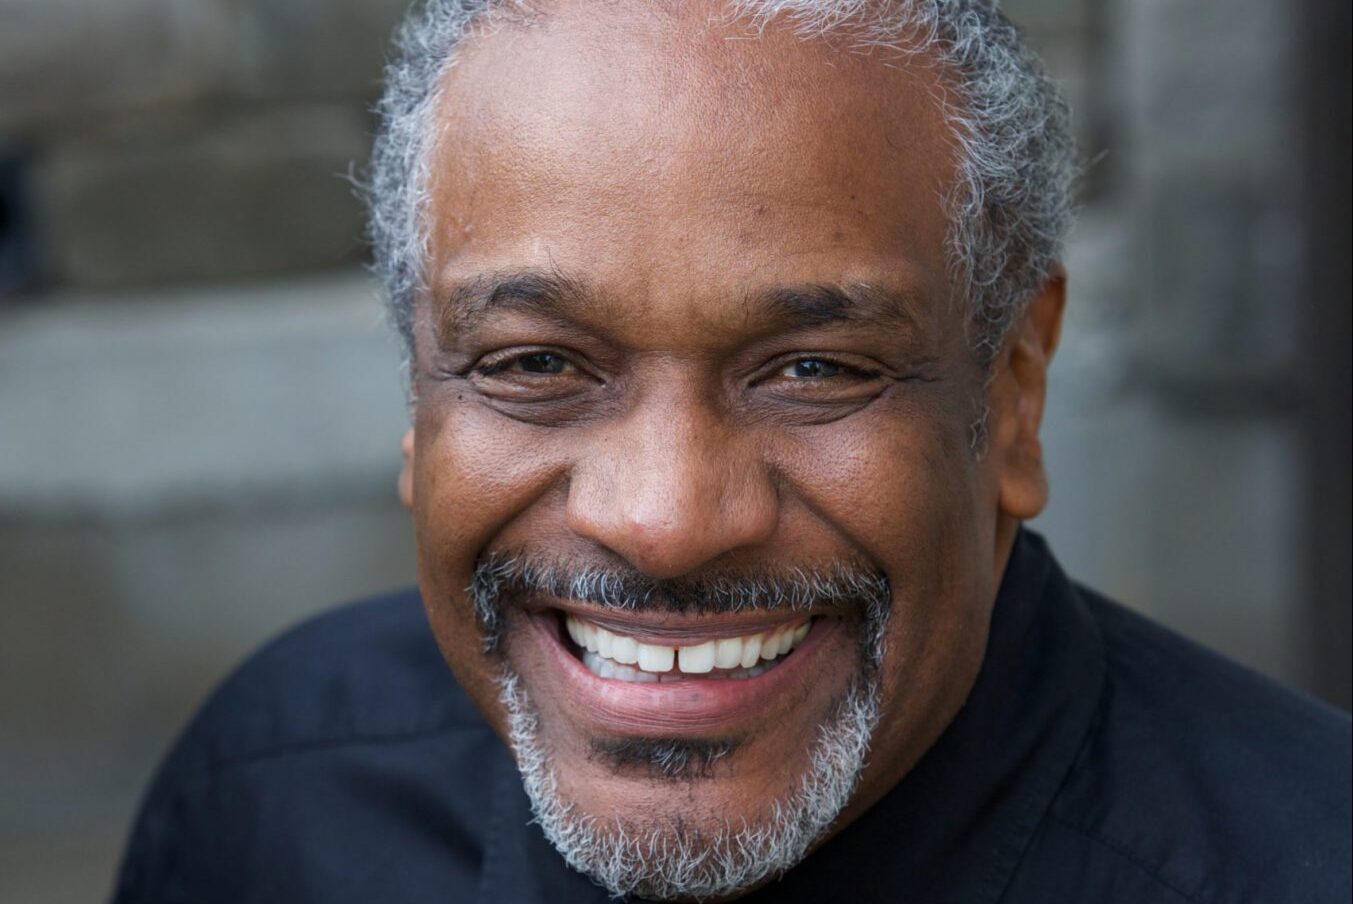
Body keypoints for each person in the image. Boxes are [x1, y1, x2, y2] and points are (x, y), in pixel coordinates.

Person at [111, 1, 1350, 902]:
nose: (667, 518)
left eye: (814, 370)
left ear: (1013, 395)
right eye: (537, 364)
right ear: (419, 406)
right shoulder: (272, 804)